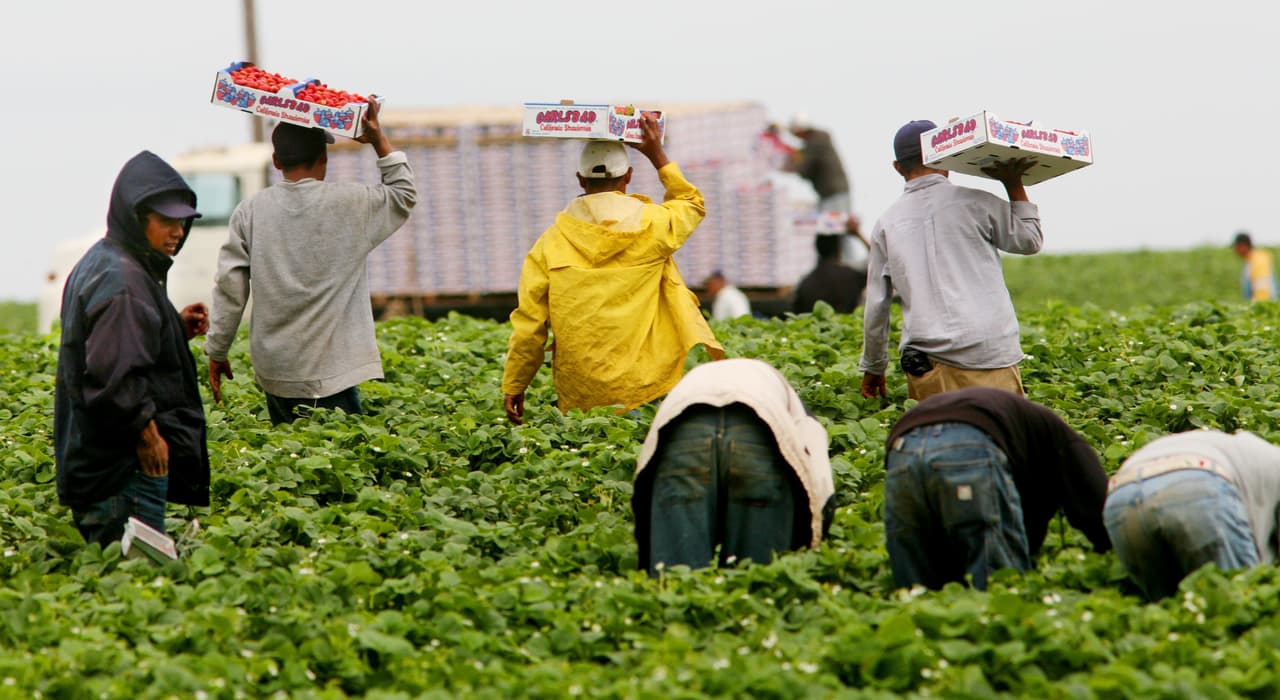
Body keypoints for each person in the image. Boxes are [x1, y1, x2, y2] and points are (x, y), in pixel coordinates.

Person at [206, 100, 417, 424]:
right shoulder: (352, 202)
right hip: (336, 370)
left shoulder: (250, 212)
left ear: (276, 161)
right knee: (340, 463)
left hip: (277, 371)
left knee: (289, 464)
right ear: (325, 157)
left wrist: (218, 351)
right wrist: (377, 139)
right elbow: (403, 193)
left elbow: (230, 289)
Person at [502, 117, 724, 423]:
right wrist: (656, 153)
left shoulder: (549, 244)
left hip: (582, 396)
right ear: (628, 176)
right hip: (647, 386)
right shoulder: (654, 226)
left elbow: (529, 326)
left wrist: (515, 383)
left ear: (580, 179)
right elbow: (691, 202)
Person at [55, 151, 211, 546]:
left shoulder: (105, 260)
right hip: (121, 471)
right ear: (136, 216)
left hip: (98, 465)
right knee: (132, 586)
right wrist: (149, 439)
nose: (177, 231)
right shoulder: (126, 283)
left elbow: (115, 345)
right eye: (166, 221)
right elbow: (114, 380)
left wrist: (172, 328)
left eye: (183, 221)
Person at [860, 119, 1041, 402]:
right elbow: (1030, 240)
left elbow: (876, 306)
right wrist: (1013, 182)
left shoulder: (887, 223)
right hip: (990, 353)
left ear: (898, 167)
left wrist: (873, 366)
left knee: (940, 442)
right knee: (999, 438)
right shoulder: (978, 203)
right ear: (945, 155)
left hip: (929, 362)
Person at [883, 387, 1111, 591]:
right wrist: (1110, 551)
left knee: (917, 584)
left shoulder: (1028, 429)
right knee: (999, 584)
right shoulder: (1066, 441)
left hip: (903, 448)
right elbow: (1098, 503)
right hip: (969, 442)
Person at [632, 358, 835, 575]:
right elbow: (821, 482)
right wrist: (816, 534)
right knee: (756, 578)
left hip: (685, 429)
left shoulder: (695, 378)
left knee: (677, 576)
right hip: (758, 432)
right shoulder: (794, 406)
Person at [1103, 430, 1280, 600]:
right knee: (1236, 598)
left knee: (1169, 612)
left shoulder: (1247, 453)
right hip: (1195, 481)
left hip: (1121, 494)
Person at [793, 215, 868, 314]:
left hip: (816, 329)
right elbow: (881, 261)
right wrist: (858, 234)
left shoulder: (806, 283)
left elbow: (796, 313)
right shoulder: (852, 277)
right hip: (846, 327)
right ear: (839, 249)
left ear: (817, 248)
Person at [1231, 231, 1276, 302]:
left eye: (1235, 247)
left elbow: (1262, 289)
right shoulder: (1249, 261)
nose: (1234, 250)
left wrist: (1256, 308)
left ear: (1243, 246)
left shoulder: (1259, 260)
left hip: (1264, 307)